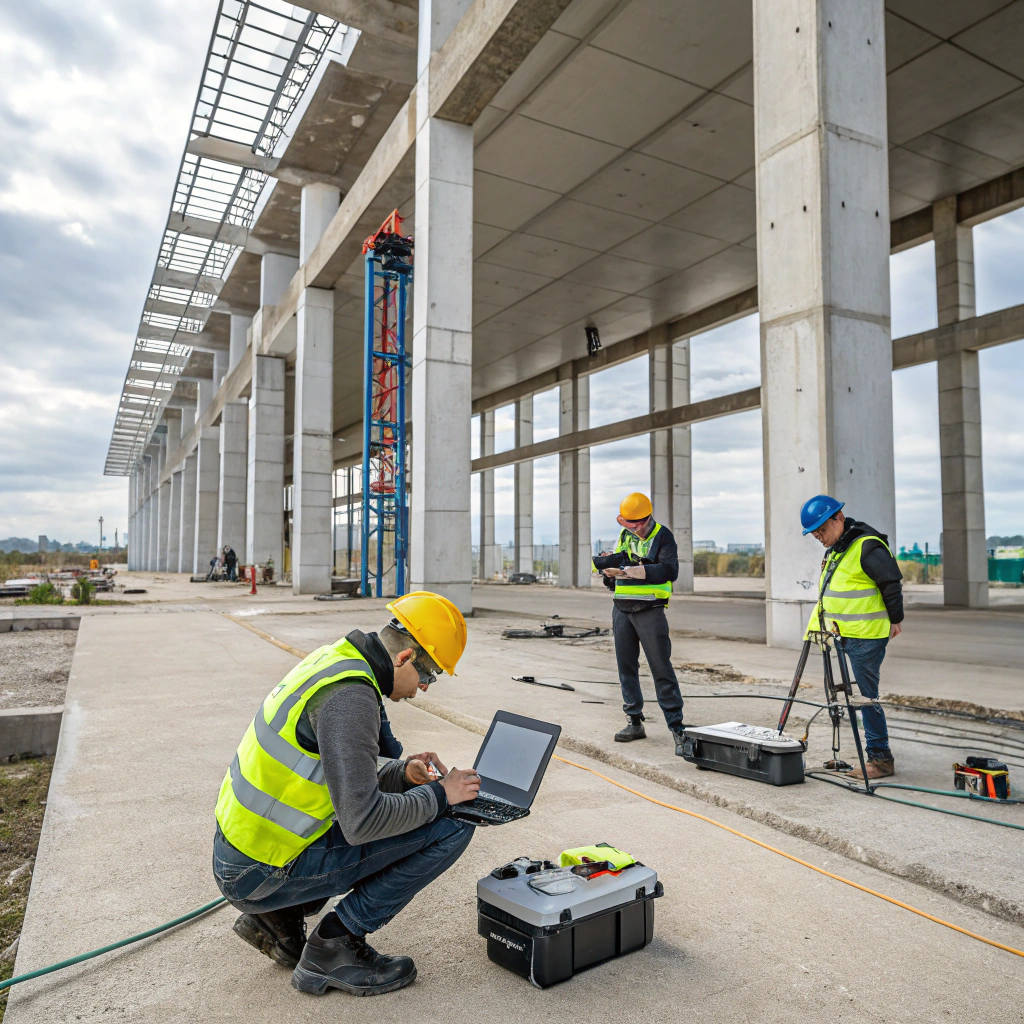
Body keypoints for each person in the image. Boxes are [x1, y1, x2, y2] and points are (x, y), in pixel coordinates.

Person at [212, 590, 478, 997]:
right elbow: (363, 821)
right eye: (429, 675)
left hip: (245, 850)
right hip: (259, 870)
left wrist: (400, 774)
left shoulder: (337, 660)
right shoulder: (351, 699)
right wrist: (443, 794)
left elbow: (334, 771)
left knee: (425, 807)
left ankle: (279, 917)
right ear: (405, 658)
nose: (424, 687)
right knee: (455, 824)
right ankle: (335, 946)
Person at [801, 495, 904, 780]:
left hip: (866, 637)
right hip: (842, 634)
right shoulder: (838, 549)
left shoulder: (867, 546)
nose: (819, 537)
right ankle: (873, 753)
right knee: (854, 698)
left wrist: (896, 619)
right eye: (815, 533)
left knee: (865, 698)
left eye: (821, 530)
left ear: (839, 518)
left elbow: (891, 584)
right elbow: (830, 595)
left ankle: (880, 760)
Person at [592, 492, 686, 755]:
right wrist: (608, 572)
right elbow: (621, 561)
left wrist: (635, 571)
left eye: (635, 524)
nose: (632, 529)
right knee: (626, 666)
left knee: (661, 668)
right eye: (627, 524)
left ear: (646, 519)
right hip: (622, 608)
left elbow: (670, 570)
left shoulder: (663, 536)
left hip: (650, 609)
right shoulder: (625, 535)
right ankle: (634, 721)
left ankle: (677, 727)